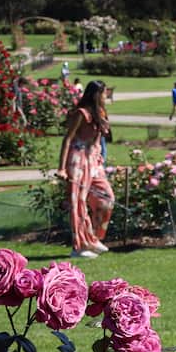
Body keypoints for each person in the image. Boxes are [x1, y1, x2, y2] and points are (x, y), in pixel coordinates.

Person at [55, 81, 114, 259]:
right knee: (78, 203)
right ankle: (79, 247)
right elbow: (68, 139)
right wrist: (62, 168)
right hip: (78, 159)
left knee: (106, 198)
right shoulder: (81, 113)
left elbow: (100, 140)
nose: (106, 96)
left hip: (93, 160)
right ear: (96, 94)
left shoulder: (100, 113)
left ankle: (92, 238)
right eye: (104, 93)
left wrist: (99, 157)